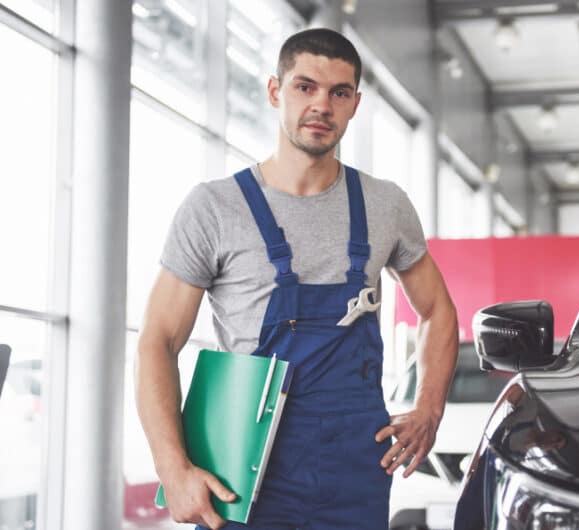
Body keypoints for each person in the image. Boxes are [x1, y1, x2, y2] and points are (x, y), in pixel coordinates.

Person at [135, 28, 459, 530]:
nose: (322, 105)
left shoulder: (385, 205)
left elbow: (438, 311)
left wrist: (429, 411)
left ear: (355, 104)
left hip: (355, 473)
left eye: (339, 92)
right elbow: (157, 341)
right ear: (274, 92)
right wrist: (172, 468)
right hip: (240, 475)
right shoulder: (214, 208)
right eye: (305, 87)